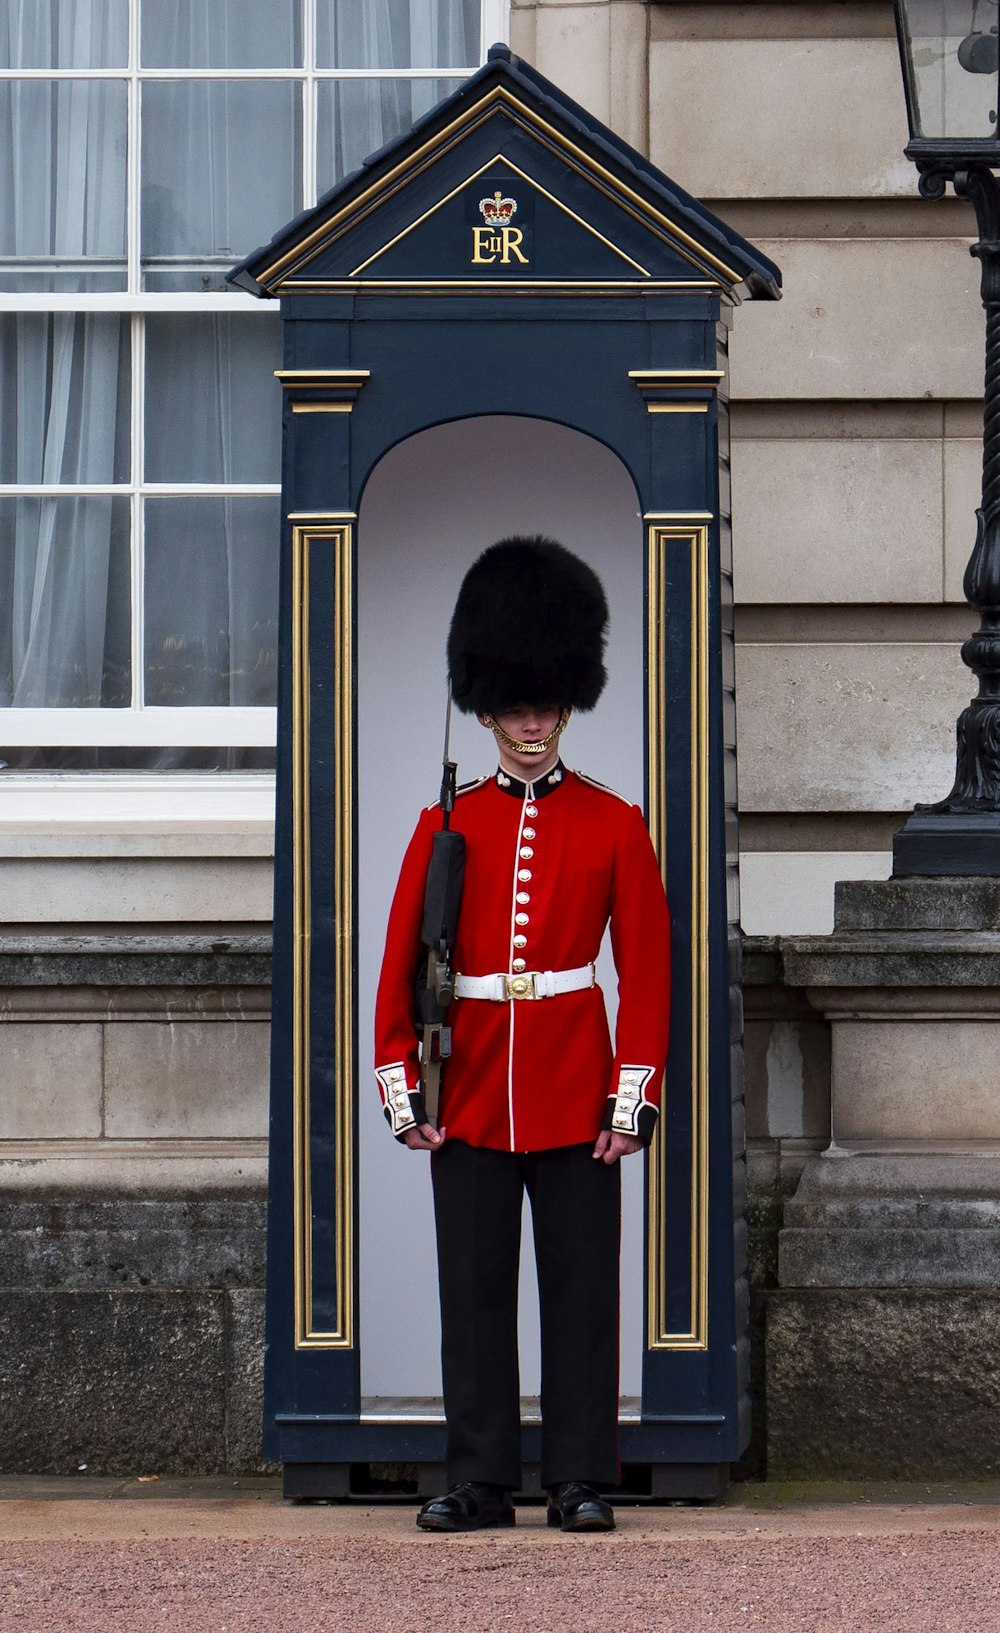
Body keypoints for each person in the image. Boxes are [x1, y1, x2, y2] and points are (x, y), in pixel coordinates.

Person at [374, 536, 671, 1533]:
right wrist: (402, 1094)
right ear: (488, 707)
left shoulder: (613, 822)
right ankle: (481, 1477)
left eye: (544, 704)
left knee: (583, 1297)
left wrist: (629, 1099)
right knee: (475, 1296)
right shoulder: (442, 823)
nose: (531, 722)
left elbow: (648, 974)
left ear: (565, 702)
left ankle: (581, 1474)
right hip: (467, 1088)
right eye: (514, 706)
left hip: (575, 1082)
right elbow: (400, 968)